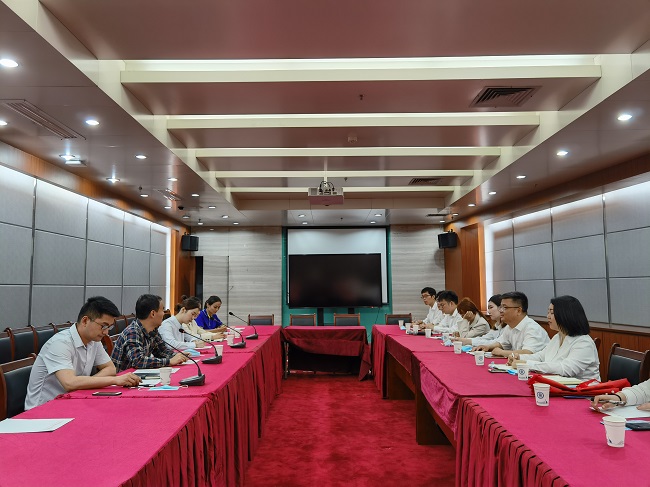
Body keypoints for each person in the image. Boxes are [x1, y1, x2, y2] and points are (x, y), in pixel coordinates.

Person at [25, 297, 141, 410]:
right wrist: (115, 380)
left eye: (109, 327)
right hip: (42, 410)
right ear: (85, 321)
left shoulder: (94, 341)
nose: (106, 332)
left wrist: (86, 383)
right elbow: (69, 383)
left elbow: (110, 369)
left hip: (72, 402)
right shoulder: (60, 343)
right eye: (103, 326)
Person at [507, 296, 600, 380]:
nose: (548, 316)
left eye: (552, 313)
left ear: (565, 315)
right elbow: (541, 356)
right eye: (548, 312)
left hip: (583, 390)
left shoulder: (584, 342)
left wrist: (527, 364)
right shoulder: (558, 337)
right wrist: (519, 357)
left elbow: (566, 369)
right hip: (558, 384)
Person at [111, 294, 188, 372]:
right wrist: (169, 361)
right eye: (162, 310)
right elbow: (138, 361)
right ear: (153, 313)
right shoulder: (132, 332)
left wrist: (179, 356)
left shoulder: (152, 330)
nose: (163, 314)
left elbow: (162, 351)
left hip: (139, 374)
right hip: (123, 377)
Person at [475, 291, 549, 358]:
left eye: (505, 307)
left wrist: (502, 352)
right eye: (500, 307)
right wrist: (487, 347)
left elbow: (528, 353)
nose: (500, 310)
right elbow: (502, 343)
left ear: (518, 311)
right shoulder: (510, 326)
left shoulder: (532, 328)